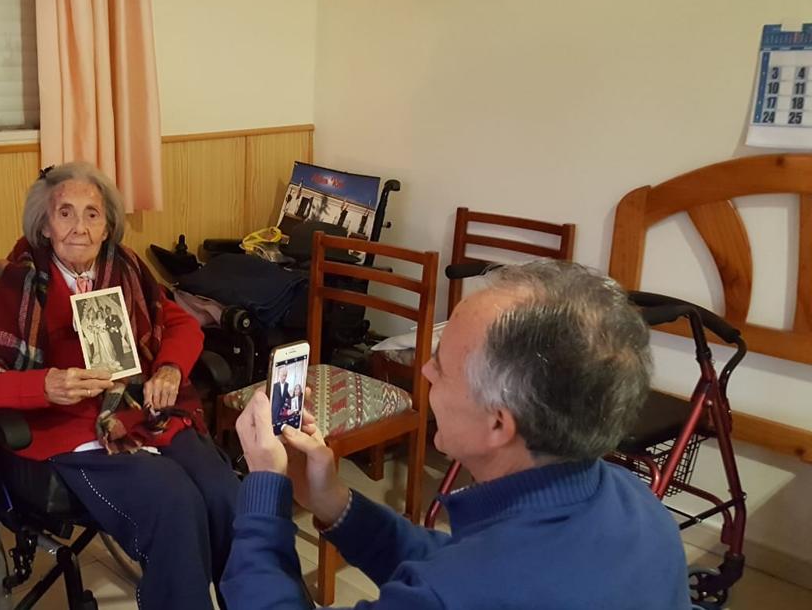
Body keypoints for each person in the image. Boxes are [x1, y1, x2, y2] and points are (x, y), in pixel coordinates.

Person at [222, 261, 692, 609]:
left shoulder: (454, 595)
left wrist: (265, 491)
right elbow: (450, 561)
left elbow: (454, 584)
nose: (425, 369)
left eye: (442, 366)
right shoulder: (643, 508)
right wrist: (335, 503)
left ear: (498, 423)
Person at [0, 161, 240, 610]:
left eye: (93, 214)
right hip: (69, 434)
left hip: (143, 411)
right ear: (45, 225)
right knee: (175, 503)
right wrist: (41, 386)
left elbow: (180, 322)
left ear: (108, 226)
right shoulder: (6, 283)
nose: (79, 227)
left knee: (227, 494)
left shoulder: (126, 268)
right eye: (65, 212)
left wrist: (169, 368)